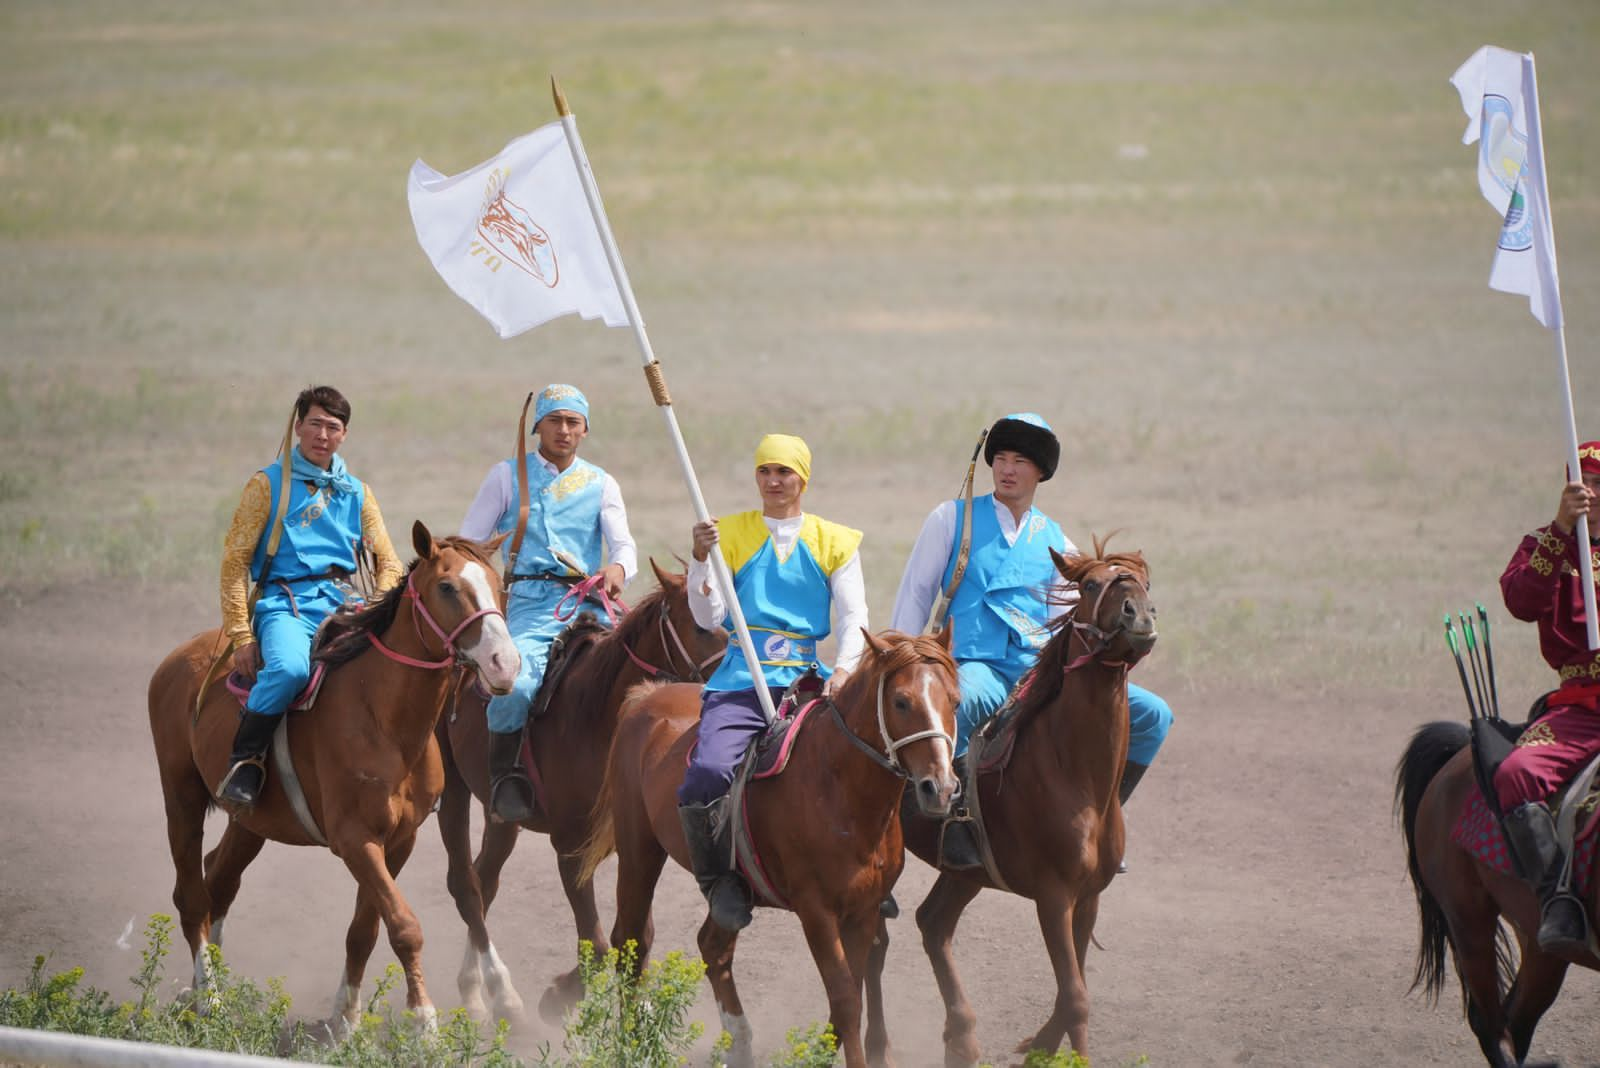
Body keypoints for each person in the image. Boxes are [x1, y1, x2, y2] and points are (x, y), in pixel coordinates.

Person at [890, 412, 1173, 866]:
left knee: (1154, 715)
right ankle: (951, 821)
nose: (1007, 469)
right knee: (957, 706)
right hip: (976, 664)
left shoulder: (1056, 538)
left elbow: (1085, 611)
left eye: (1020, 460)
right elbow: (915, 594)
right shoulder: (952, 519)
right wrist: (901, 666)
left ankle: (1105, 816)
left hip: (1039, 670)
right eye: (1000, 458)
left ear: (1040, 471)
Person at [679, 433, 868, 931]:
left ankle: (871, 873)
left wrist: (846, 668)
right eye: (765, 471)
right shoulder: (729, 533)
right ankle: (719, 880)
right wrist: (700, 560)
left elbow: (854, 617)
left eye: (784, 472)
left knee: (869, 759)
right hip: (743, 676)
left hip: (809, 680)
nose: (774, 481)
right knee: (708, 772)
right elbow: (709, 614)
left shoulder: (836, 541)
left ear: (802, 479)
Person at [217, 385, 404, 807]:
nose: (323, 434)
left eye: (332, 427)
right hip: (286, 604)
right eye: (315, 424)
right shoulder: (268, 485)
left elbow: (389, 563)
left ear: (344, 435)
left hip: (346, 604)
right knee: (287, 671)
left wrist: (378, 606)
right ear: (298, 426)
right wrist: (242, 637)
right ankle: (246, 759)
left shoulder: (358, 492)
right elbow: (233, 565)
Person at [461, 384, 636, 823]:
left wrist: (617, 571)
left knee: (648, 667)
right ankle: (504, 777)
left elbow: (624, 547)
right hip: (530, 601)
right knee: (513, 683)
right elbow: (470, 545)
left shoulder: (601, 482)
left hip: (590, 602)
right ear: (538, 425)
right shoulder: (506, 476)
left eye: (572, 422)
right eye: (554, 420)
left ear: (585, 430)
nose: (563, 430)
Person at [1493, 440, 1600, 955]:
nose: (1593, 494)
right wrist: (1561, 530)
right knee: (1515, 775)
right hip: (1578, 706)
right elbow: (1520, 602)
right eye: (1585, 484)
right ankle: (1557, 898)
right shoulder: (1543, 543)